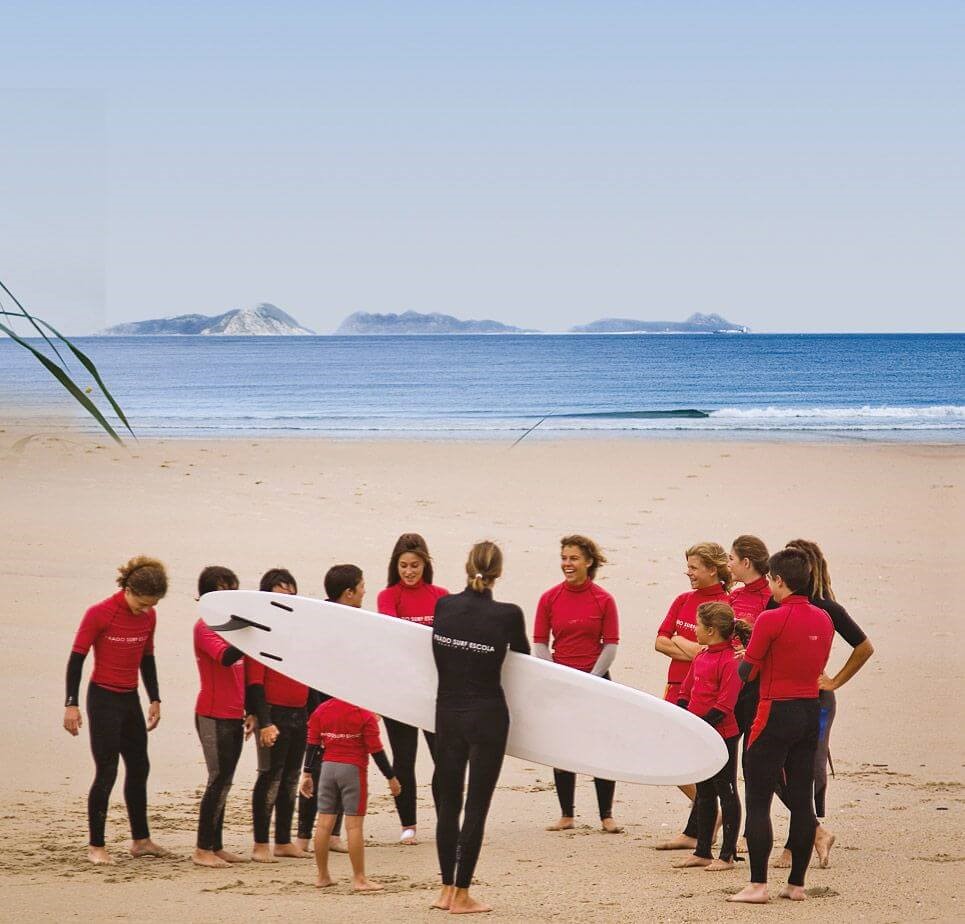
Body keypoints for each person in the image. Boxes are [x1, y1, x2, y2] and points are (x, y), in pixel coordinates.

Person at [430, 541, 530, 914]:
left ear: (467, 565)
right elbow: (524, 661)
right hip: (487, 715)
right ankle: (461, 895)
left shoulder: (443, 606)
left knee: (448, 803)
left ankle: (444, 890)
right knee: (476, 806)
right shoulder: (508, 615)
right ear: (498, 573)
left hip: (446, 714)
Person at [729, 548, 834, 904]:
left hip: (774, 711)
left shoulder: (771, 619)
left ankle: (758, 885)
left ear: (778, 580)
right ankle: (796, 885)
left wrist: (743, 656)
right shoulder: (824, 619)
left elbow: (749, 673)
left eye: (772, 579)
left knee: (758, 799)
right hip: (809, 712)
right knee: (802, 800)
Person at [770, 539, 874, 870]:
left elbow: (864, 647)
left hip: (817, 700)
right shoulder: (775, 606)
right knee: (774, 771)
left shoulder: (828, 609)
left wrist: (834, 680)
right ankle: (816, 831)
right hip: (781, 696)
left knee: (806, 771)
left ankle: (793, 844)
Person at [63, 556, 170, 865]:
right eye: (142, 604)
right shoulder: (99, 614)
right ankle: (96, 846)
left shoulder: (149, 618)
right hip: (103, 699)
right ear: (127, 588)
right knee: (107, 770)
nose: (146, 610)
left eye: (152, 605)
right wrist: (71, 703)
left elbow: (147, 658)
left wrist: (155, 698)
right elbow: (77, 659)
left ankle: (141, 840)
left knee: (140, 767)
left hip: (130, 699)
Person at [534, 535, 623, 834]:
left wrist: (591, 679)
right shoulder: (549, 598)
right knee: (563, 746)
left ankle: (606, 815)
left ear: (588, 562)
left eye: (573, 558)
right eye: (564, 558)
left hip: (597, 679)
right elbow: (540, 644)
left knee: (601, 746)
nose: (567, 564)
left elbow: (610, 645)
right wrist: (556, 675)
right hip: (562, 680)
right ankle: (566, 814)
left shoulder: (603, 599)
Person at [653, 542, 732, 850]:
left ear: (712, 569)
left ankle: (699, 826)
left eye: (695, 567)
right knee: (667, 756)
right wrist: (697, 649)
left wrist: (682, 643)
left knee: (696, 758)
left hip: (705, 693)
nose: (689, 572)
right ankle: (705, 816)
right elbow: (660, 642)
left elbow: (719, 650)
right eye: (688, 566)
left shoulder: (726, 603)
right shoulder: (683, 600)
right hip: (675, 687)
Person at [376, 533, 448, 844]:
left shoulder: (441, 596)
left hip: (435, 691)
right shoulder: (387, 596)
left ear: (425, 564)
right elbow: (396, 640)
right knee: (403, 760)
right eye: (403, 565)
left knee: (444, 760)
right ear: (396, 566)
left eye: (415, 565)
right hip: (400, 692)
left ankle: (447, 820)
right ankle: (409, 825)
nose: (409, 571)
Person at [672, 602, 751, 872]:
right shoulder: (701, 656)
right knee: (704, 792)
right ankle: (702, 851)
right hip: (699, 732)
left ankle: (727, 855)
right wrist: (682, 718)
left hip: (721, 736)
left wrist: (699, 727)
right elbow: (685, 692)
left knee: (726, 791)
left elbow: (725, 705)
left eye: (697, 624)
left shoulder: (731, 661)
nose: (694, 629)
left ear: (712, 629)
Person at [294, 564, 367, 856]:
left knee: (343, 765)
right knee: (316, 767)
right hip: (321, 704)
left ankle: (334, 835)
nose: (364, 591)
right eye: (361, 586)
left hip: (345, 701)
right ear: (348, 593)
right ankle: (302, 837)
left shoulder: (353, 618)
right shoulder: (321, 619)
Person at [298, 696, 400, 892]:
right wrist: (391, 777)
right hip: (353, 769)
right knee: (353, 827)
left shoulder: (321, 709)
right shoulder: (363, 713)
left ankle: (322, 876)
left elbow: (312, 744)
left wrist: (307, 773)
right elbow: (376, 750)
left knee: (323, 823)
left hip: (328, 768)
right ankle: (359, 879)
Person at [247, 568, 311, 862]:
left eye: (290, 595)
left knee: (291, 778)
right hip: (273, 713)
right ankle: (261, 844)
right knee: (270, 777)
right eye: (279, 596)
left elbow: (308, 675)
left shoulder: (298, 632)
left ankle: (283, 840)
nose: (286, 601)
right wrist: (265, 721)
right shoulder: (261, 632)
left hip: (300, 713)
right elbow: (255, 681)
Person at [193, 566, 250, 868]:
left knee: (226, 781)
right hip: (212, 715)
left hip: (234, 714)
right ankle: (202, 849)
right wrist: (248, 629)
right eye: (224, 590)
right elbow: (227, 658)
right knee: (218, 779)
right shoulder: (204, 627)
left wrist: (250, 711)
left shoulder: (229, 628)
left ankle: (216, 846)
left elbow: (244, 675)